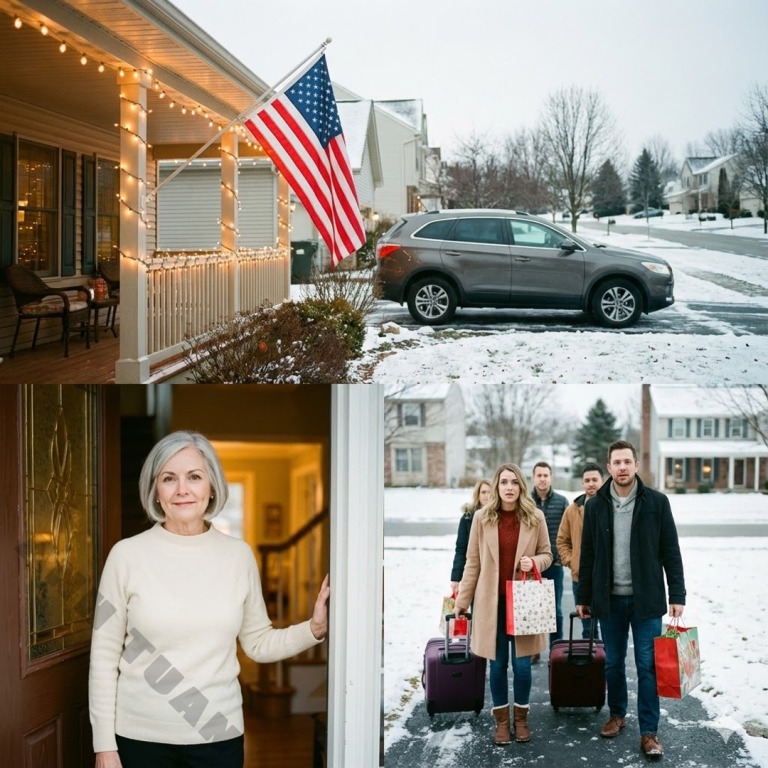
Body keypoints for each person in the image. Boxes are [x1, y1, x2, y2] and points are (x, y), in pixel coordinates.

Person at [89, 431, 331, 768]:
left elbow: (258, 643)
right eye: (169, 478)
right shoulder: (125, 556)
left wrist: (313, 629)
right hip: (139, 739)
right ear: (155, 490)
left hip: (217, 736)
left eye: (194, 477)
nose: (182, 489)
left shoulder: (238, 557)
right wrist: (104, 746)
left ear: (212, 486)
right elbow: (103, 656)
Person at [576, 440, 686, 758]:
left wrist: (677, 593)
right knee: (613, 663)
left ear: (636, 465)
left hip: (646, 601)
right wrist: (583, 596)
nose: (622, 467)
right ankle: (617, 714)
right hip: (609, 600)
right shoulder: (595, 505)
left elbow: (671, 551)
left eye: (627, 461)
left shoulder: (657, 502)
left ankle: (649, 732)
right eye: (617, 462)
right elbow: (588, 554)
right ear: (609, 467)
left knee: (647, 665)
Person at [454, 463, 552, 746]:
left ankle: (520, 721)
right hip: (491, 604)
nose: (509, 487)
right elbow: (473, 562)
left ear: (521, 486)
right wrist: (462, 601)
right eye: (504, 482)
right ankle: (501, 723)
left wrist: (534, 562)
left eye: (514, 482)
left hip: (523, 604)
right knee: (497, 666)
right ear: (496, 486)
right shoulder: (481, 518)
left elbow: (548, 554)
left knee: (522, 667)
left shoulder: (535, 517)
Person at [556, 463, 604, 640]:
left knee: (609, 627)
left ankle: (608, 657)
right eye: (587, 480)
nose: (591, 484)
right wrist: (573, 561)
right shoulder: (572, 510)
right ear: (582, 483)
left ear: (602, 481)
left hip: (606, 578)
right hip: (581, 578)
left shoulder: (611, 506)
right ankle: (592, 656)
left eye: (594, 480)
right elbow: (562, 540)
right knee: (587, 627)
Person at [530, 461, 568, 655]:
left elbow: (567, 533)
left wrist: (561, 557)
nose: (542, 479)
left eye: (546, 475)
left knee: (555, 611)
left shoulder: (562, 502)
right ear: (533, 477)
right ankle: (533, 650)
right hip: (531, 565)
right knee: (531, 609)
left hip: (554, 564)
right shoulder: (526, 501)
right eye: (539, 475)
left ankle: (556, 651)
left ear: (551, 477)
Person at [450, 478, 492, 593]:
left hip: (492, 573)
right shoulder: (467, 518)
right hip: (473, 571)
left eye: (490, 492)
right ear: (478, 494)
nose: (487, 496)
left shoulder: (499, 517)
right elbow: (461, 549)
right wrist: (456, 578)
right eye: (483, 492)